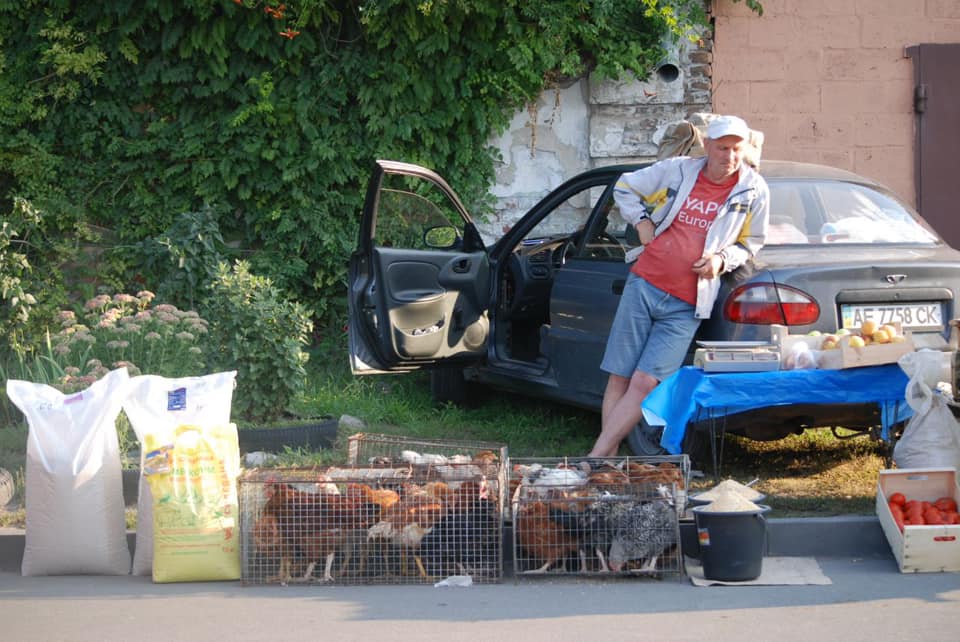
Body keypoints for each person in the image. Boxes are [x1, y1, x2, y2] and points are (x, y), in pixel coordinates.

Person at [588, 115, 770, 457]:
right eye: (722, 148)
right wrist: (641, 223)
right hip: (645, 283)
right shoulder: (679, 169)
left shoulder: (753, 189)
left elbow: (752, 242)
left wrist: (721, 260)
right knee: (619, 375)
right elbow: (624, 186)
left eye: (735, 149)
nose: (729, 156)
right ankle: (605, 465)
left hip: (688, 302)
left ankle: (596, 458)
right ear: (707, 146)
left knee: (645, 383)